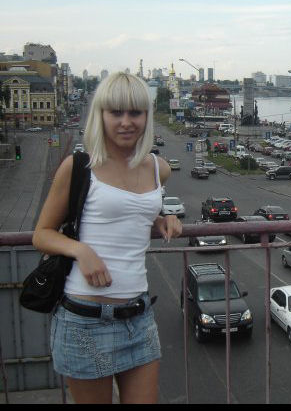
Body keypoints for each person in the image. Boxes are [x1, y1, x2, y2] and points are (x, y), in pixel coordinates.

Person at [32, 72, 182, 404]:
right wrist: (81, 251)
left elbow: (130, 216)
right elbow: (41, 234)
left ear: (147, 116)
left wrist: (162, 219)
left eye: (135, 112)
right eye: (116, 112)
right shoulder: (79, 166)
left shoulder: (159, 168)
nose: (126, 122)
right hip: (85, 321)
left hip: (139, 317)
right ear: (100, 115)